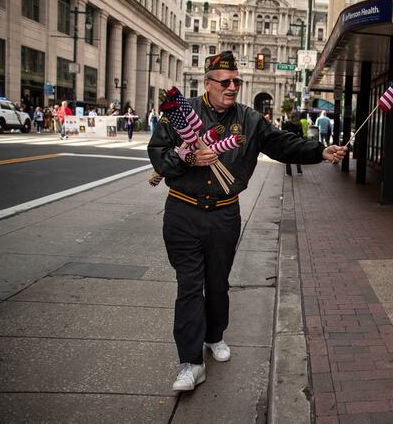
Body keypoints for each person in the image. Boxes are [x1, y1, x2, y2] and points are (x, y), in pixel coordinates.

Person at [148, 51, 347, 392]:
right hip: (183, 211)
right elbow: (159, 157)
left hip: (225, 213)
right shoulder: (181, 113)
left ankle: (214, 335)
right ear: (207, 83)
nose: (232, 87)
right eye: (225, 82)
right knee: (190, 285)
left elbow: (280, 144)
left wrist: (318, 151)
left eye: (236, 82)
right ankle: (190, 362)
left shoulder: (250, 119)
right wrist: (189, 158)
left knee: (217, 282)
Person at [281, 111, 304, 176]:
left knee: (287, 157)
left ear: (291, 116)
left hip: (288, 141)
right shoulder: (299, 124)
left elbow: (283, 131)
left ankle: (289, 172)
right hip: (296, 141)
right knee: (297, 156)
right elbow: (301, 134)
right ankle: (299, 171)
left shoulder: (287, 123)